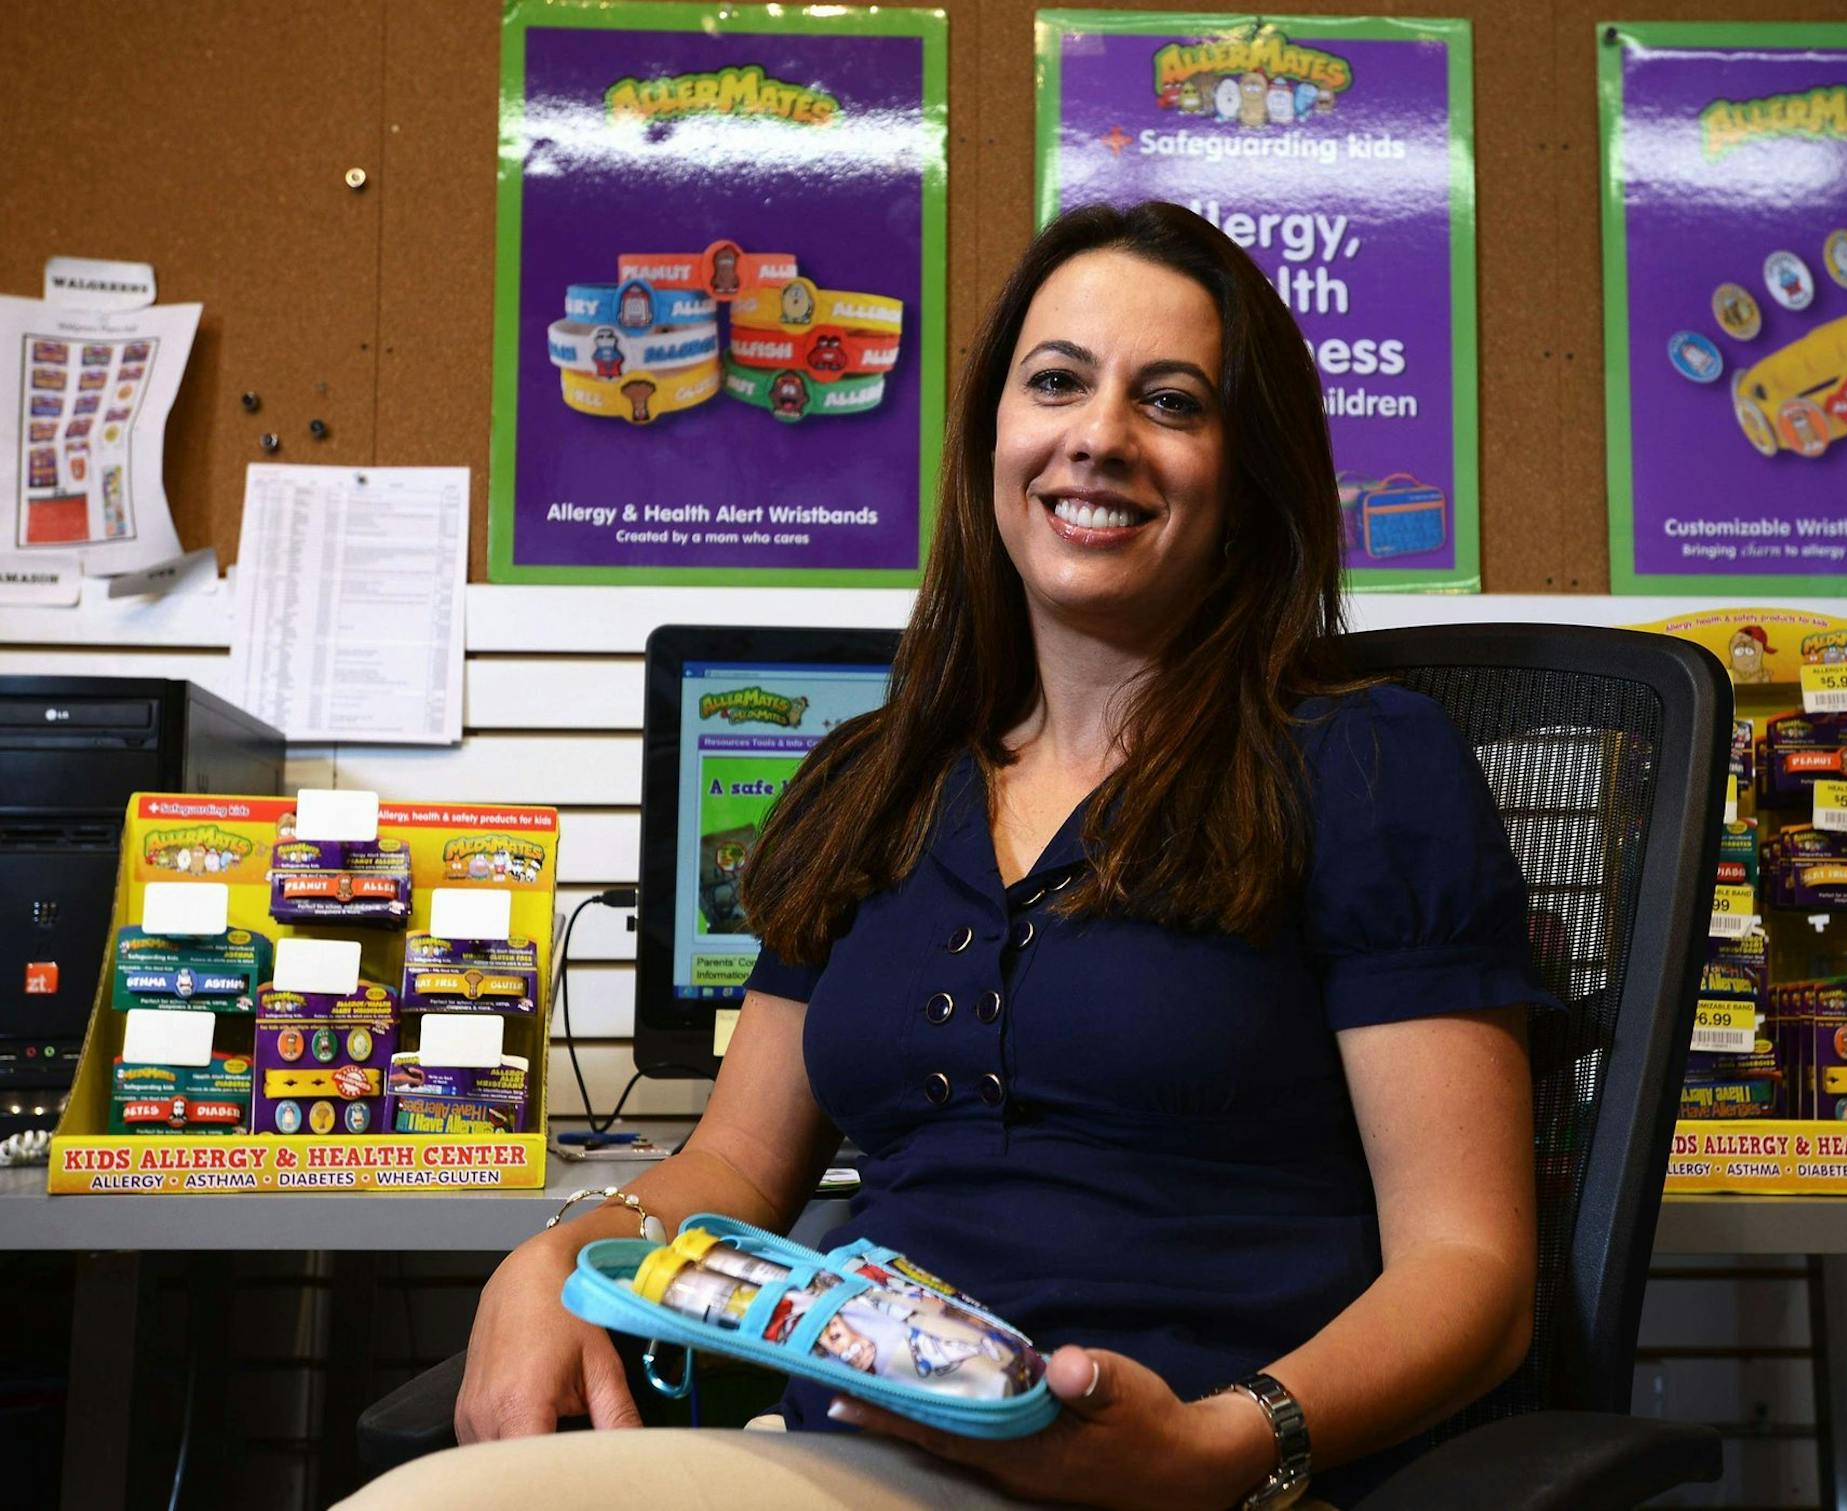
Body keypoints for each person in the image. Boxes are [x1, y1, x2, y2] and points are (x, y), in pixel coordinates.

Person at [353, 202, 1548, 1509]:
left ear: (1245, 473)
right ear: (994, 434)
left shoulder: (1367, 767)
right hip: (849, 1456)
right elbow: (738, 1170)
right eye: (1056, 383)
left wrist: (1222, 1444)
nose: (1098, 435)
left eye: (1172, 401)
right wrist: (559, 1257)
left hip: (1190, 1473)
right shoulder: (878, 781)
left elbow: (1469, 1268)